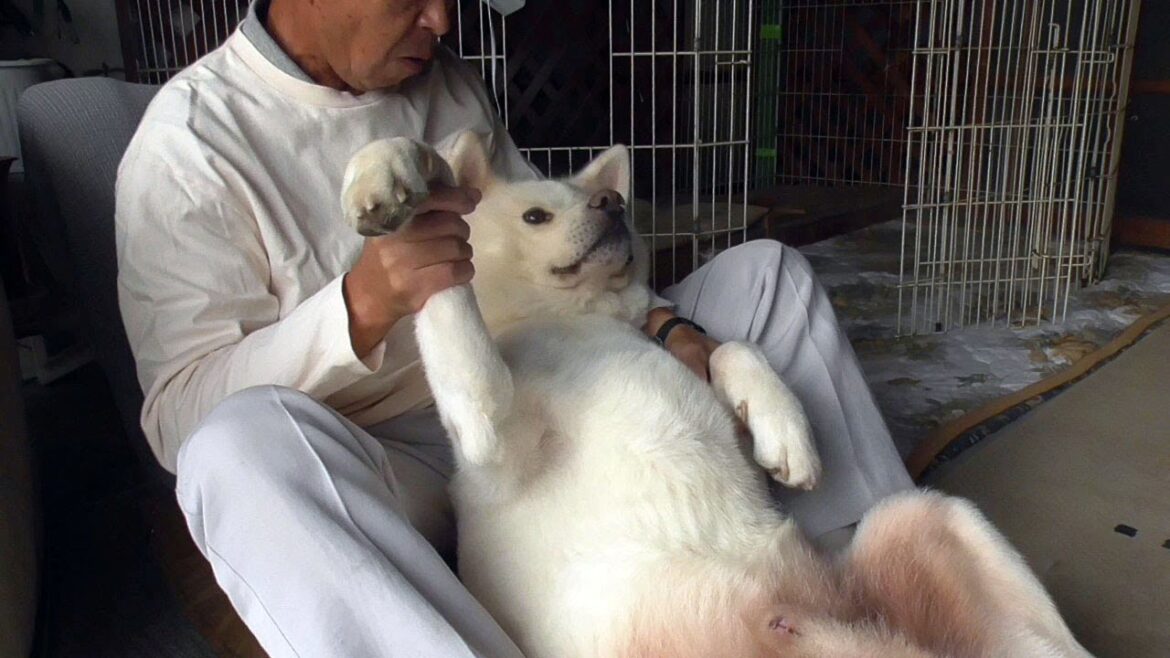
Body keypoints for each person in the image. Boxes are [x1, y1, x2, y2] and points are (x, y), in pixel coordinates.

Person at [114, 0, 915, 655]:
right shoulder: (190, 149)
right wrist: (359, 309)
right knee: (234, 452)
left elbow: (555, 243)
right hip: (377, 459)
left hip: (540, 385)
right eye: (417, 0)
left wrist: (674, 328)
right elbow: (178, 414)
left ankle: (866, 590)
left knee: (765, 275)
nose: (442, 21)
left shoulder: (443, 82)